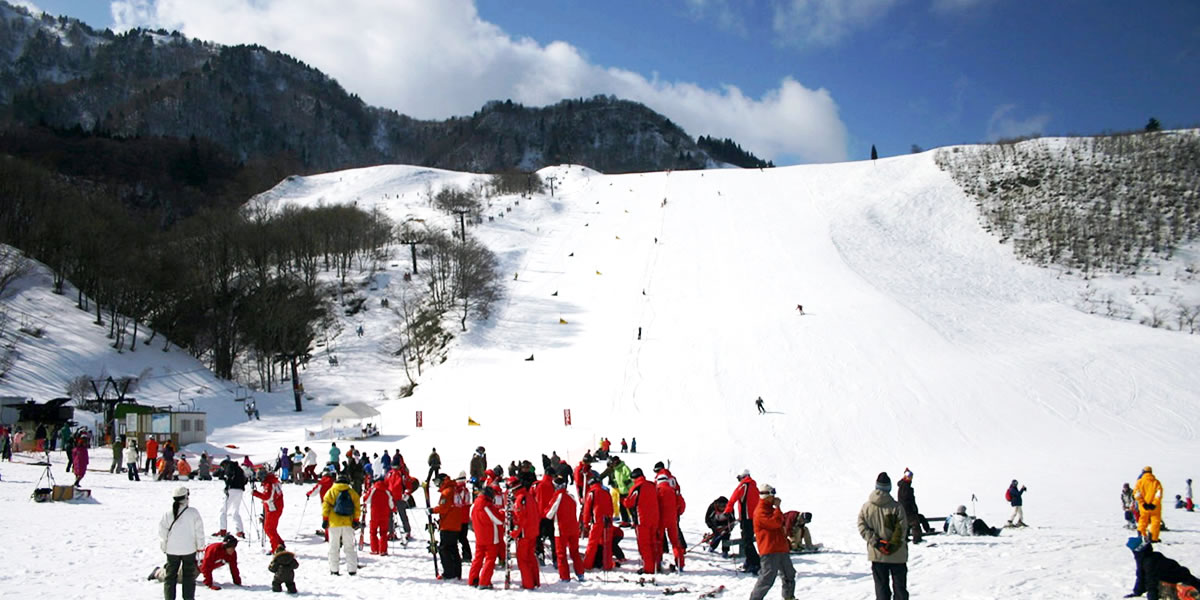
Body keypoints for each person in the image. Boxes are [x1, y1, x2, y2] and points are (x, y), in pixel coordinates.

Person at [857, 472, 909, 600]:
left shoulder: (866, 507)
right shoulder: (897, 507)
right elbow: (901, 529)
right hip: (897, 555)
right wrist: (891, 545)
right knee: (900, 588)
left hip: (877, 554)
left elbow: (862, 526)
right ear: (889, 487)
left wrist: (877, 543)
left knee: (881, 588)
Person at [749, 484, 796, 600]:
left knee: (789, 574)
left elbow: (780, 521)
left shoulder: (771, 509)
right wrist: (778, 508)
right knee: (767, 578)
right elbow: (775, 523)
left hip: (781, 548)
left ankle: (789, 597)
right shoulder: (760, 511)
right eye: (772, 494)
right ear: (767, 495)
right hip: (769, 550)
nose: (774, 497)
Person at [159, 487, 206, 600]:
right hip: (189, 549)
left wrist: (164, 547)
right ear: (186, 498)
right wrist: (200, 547)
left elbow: (162, 532)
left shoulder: (168, 513)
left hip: (171, 550)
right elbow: (199, 532)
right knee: (188, 577)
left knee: (170, 578)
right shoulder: (193, 512)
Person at [1125, 536, 1200, 599]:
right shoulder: (1144, 559)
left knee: (1186, 592)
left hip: (1181, 580)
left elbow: (1151, 580)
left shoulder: (1149, 561)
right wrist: (1137, 592)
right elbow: (1141, 576)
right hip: (1176, 579)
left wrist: (1152, 597)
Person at [546, 474, 586, 582]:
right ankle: (580, 573)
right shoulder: (571, 496)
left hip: (561, 529)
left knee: (561, 554)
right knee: (575, 552)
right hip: (573, 528)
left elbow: (549, 514)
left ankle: (564, 577)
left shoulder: (557, 496)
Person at [623, 467, 660, 574]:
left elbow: (629, 503)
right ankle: (657, 564)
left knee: (645, 545)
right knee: (655, 543)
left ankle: (649, 568)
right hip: (655, 518)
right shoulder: (652, 485)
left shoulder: (637, 488)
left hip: (642, 520)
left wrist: (624, 500)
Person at [322, 473, 361, 576]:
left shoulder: (331, 491)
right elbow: (357, 508)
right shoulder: (352, 493)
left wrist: (325, 519)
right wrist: (356, 520)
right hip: (348, 523)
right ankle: (352, 569)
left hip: (334, 523)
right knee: (349, 547)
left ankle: (334, 570)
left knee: (333, 547)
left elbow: (325, 506)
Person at [724, 469, 761, 575]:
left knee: (747, 541)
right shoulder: (754, 486)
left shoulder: (744, 485)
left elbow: (734, 497)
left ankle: (755, 563)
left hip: (746, 518)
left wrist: (728, 510)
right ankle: (749, 562)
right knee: (748, 539)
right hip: (754, 517)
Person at [468, 486, 505, 588]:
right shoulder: (487, 506)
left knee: (478, 558)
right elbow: (497, 520)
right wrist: (502, 513)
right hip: (491, 536)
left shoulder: (474, 504)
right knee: (490, 559)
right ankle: (484, 582)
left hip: (479, 535)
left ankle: (473, 579)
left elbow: (471, 517)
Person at [581, 471, 615, 572]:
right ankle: (607, 565)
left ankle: (587, 564)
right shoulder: (606, 492)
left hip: (597, 522)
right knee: (607, 544)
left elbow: (587, 510)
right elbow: (611, 508)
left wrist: (585, 523)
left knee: (592, 544)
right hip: (608, 521)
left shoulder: (591, 493)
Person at [656, 470, 686, 572]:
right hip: (672, 520)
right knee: (675, 543)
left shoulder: (657, 491)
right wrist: (678, 513)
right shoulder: (673, 491)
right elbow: (682, 504)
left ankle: (657, 563)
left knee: (659, 542)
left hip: (660, 520)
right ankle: (680, 563)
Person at [214, 456, 248, 538]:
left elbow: (229, 476)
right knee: (235, 512)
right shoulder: (239, 468)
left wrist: (227, 487)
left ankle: (223, 530)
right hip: (240, 491)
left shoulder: (229, 466)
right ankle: (240, 531)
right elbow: (245, 479)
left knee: (223, 510)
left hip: (231, 490)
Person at [896, 469, 932, 543]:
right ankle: (917, 539)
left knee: (920, 518)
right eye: (909, 476)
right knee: (915, 523)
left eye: (911, 476)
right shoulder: (905, 486)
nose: (911, 478)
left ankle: (927, 530)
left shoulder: (905, 485)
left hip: (908, 510)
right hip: (907, 510)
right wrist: (912, 508)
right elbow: (906, 499)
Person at [253, 471, 286, 553]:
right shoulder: (273, 481)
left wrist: (255, 493)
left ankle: (276, 548)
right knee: (271, 529)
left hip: (273, 509)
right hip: (275, 507)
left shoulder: (269, 484)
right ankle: (280, 544)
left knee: (269, 529)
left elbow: (267, 497)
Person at [367, 475, 394, 555]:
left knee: (373, 532)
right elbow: (391, 505)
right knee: (384, 533)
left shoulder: (373, 489)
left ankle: (374, 549)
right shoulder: (387, 490)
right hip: (385, 515)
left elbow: (366, 500)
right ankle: (383, 550)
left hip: (374, 514)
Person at [1135, 467, 1164, 543]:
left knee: (1143, 521)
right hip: (1155, 507)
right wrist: (1154, 504)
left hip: (1143, 507)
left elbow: (1137, 494)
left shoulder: (1139, 482)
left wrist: (1142, 503)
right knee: (1155, 522)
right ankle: (1153, 538)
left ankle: (1141, 535)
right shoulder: (1156, 482)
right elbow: (1159, 494)